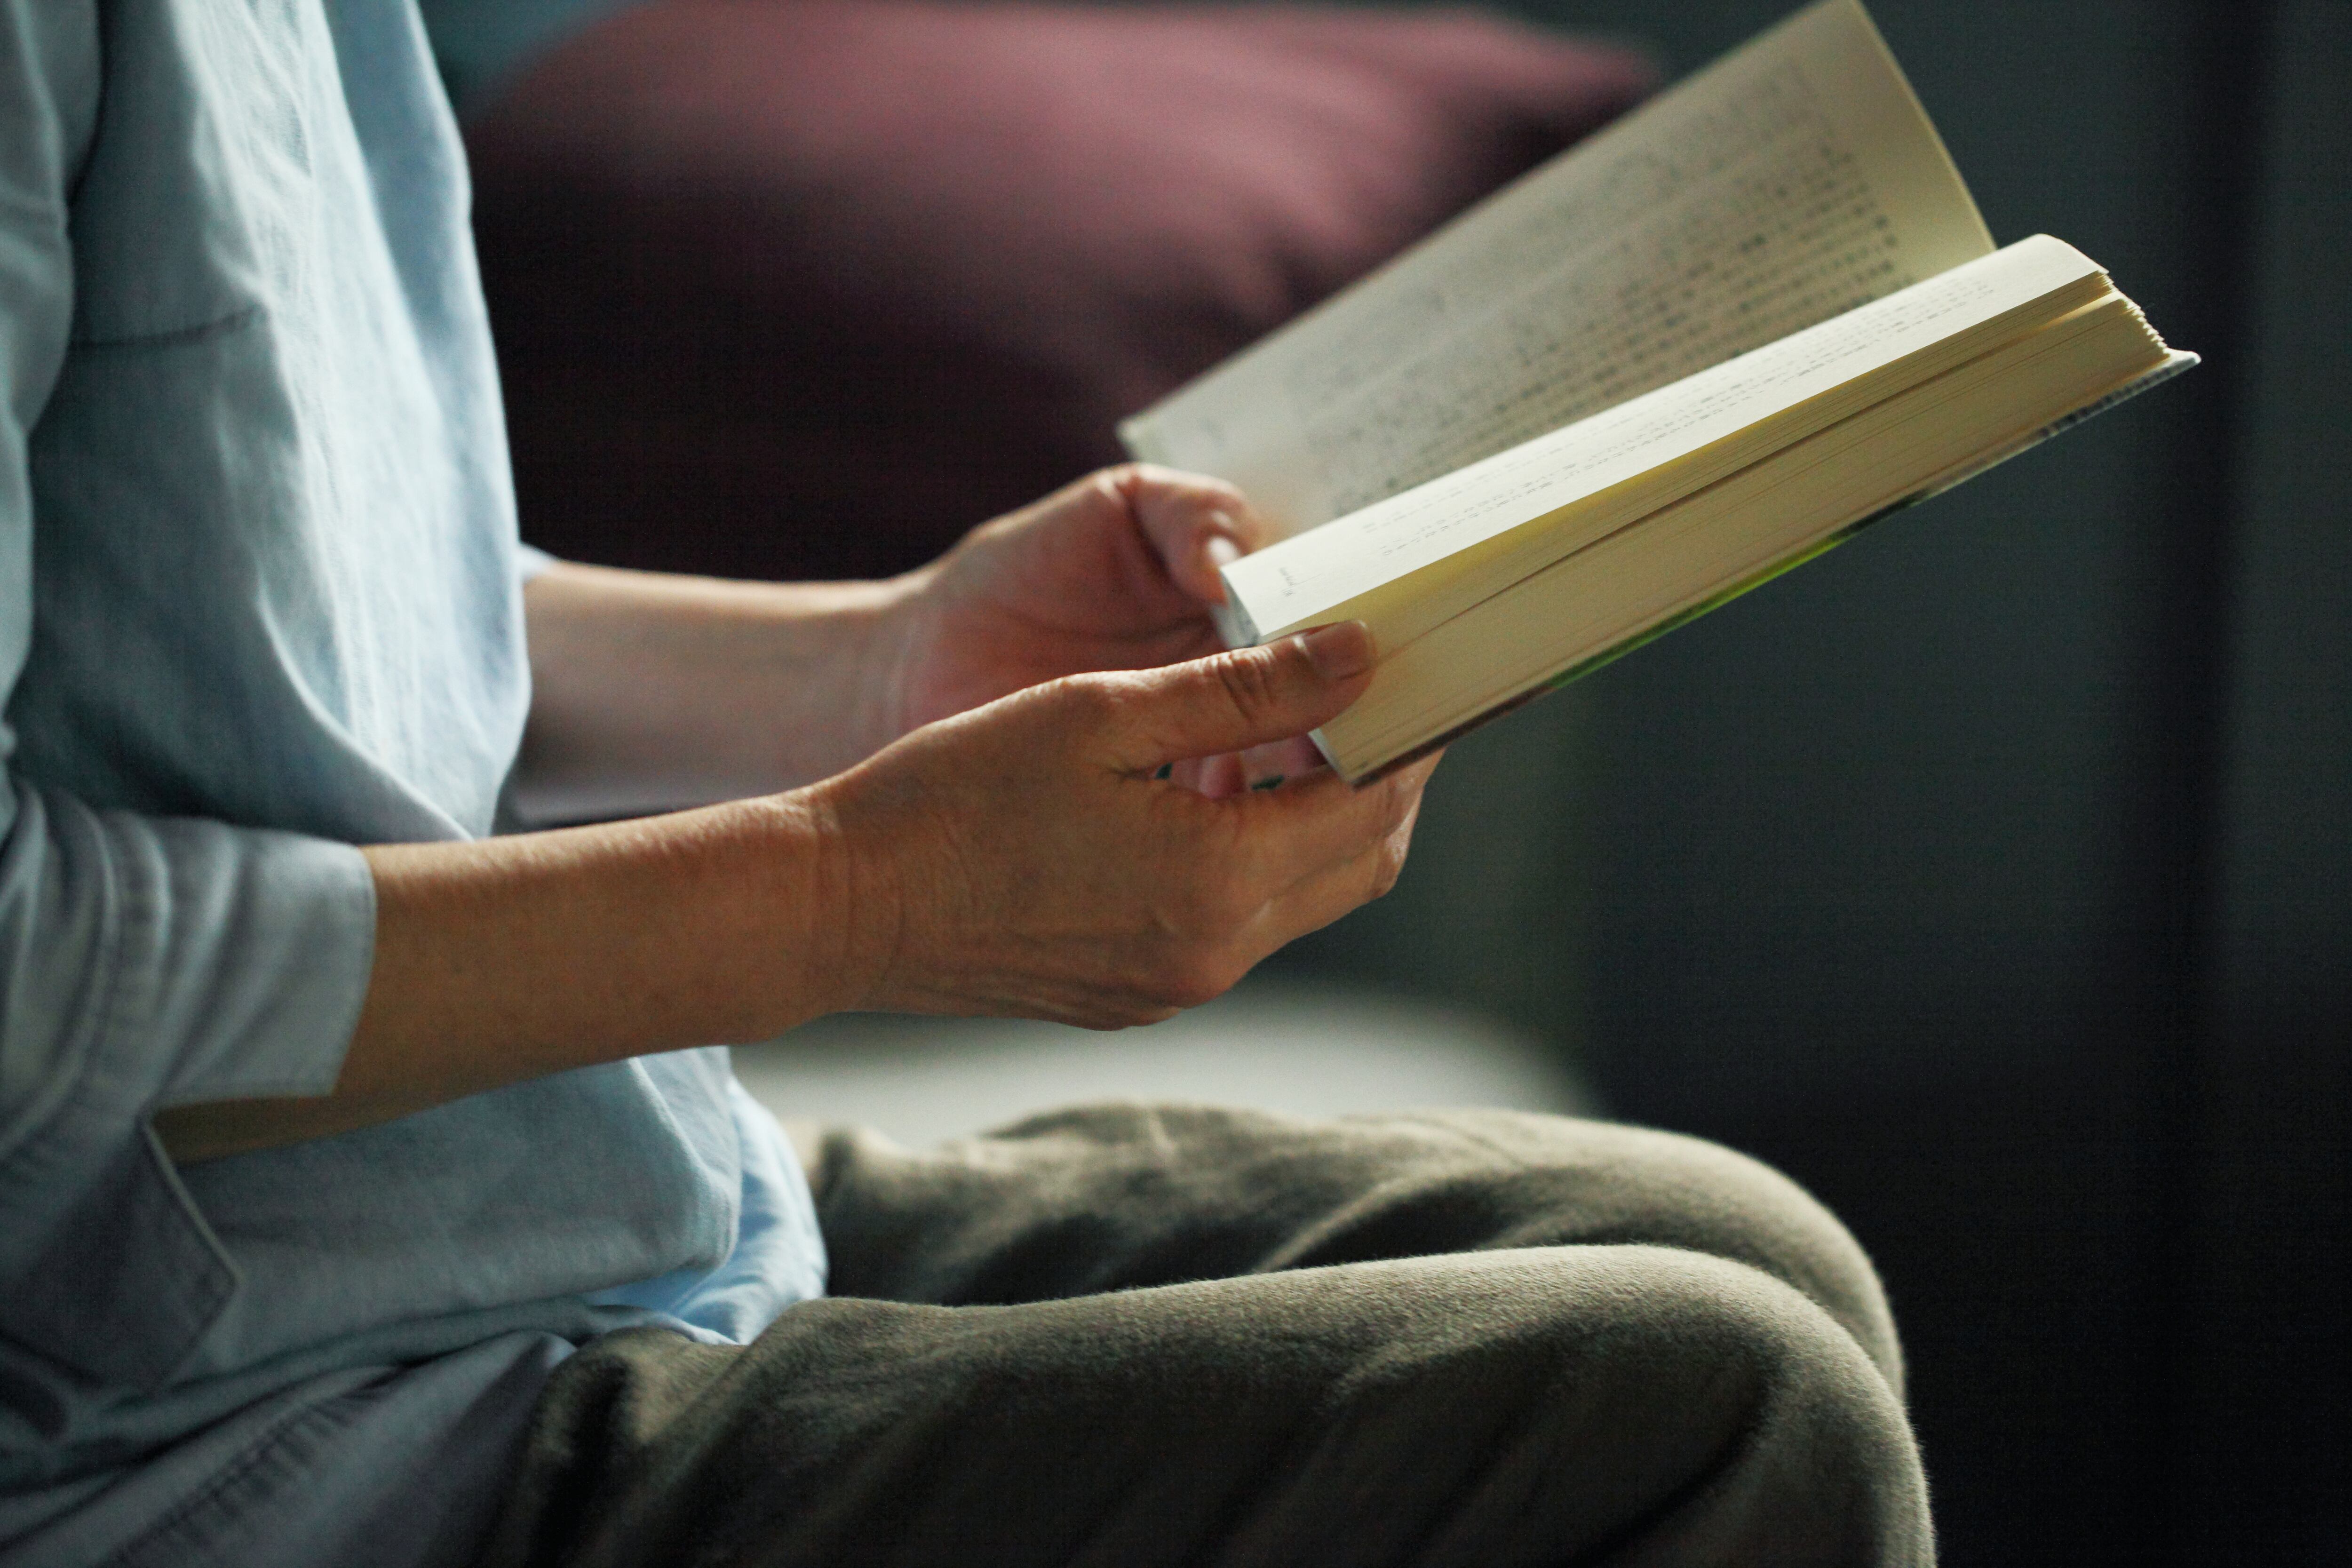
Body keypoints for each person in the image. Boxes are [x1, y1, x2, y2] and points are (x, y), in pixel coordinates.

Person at [0, 3, 1932, 1564]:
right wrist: (861, 893)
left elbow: (257, 594)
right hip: (197, 1429)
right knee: (1706, 1419)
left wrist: (877, 664)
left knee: (1750, 1251)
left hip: (473, 1212)